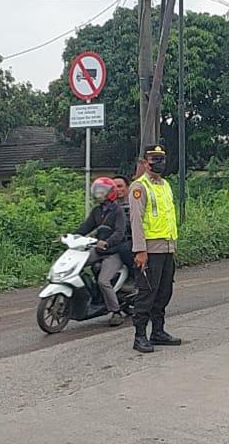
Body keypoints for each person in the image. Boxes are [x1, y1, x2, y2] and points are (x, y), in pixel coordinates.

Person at [129, 145, 181, 353]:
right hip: (150, 250)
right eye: (154, 159)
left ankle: (158, 332)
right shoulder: (139, 187)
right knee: (147, 293)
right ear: (144, 162)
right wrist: (140, 251)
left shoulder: (165, 185)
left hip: (167, 247)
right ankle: (140, 335)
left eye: (161, 158)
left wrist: (173, 246)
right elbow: (136, 221)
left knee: (164, 291)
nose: (159, 162)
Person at [77, 177, 129, 327]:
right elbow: (85, 227)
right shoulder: (97, 211)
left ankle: (115, 311)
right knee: (77, 265)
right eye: (98, 191)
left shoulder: (118, 211)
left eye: (102, 191)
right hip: (98, 250)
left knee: (103, 281)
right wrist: (71, 236)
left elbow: (119, 232)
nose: (99, 194)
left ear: (110, 193)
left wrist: (107, 242)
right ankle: (88, 296)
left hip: (113, 252)